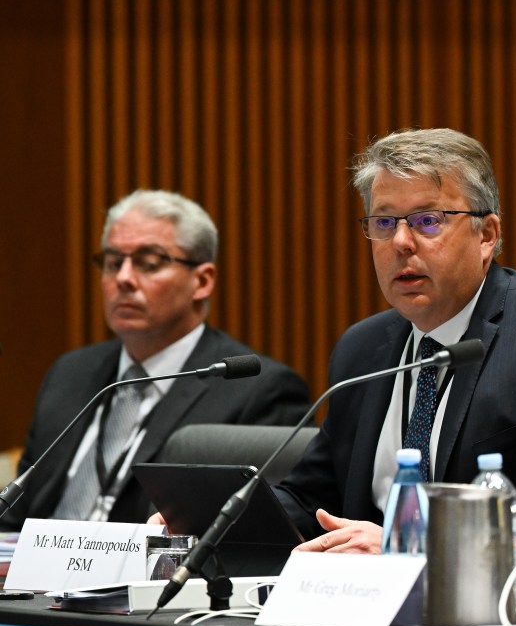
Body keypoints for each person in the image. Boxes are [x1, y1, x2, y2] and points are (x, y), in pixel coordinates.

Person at [274, 127, 516, 554]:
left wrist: (409, 544)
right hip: (369, 590)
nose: (400, 242)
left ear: (486, 235)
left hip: (504, 590)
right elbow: (312, 500)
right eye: (384, 222)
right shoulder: (362, 349)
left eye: (427, 221)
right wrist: (222, 518)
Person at [0, 190, 310, 530]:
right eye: (113, 262)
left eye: (149, 263)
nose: (123, 279)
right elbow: (15, 516)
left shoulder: (257, 391)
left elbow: (255, 531)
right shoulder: (70, 373)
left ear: (202, 281)